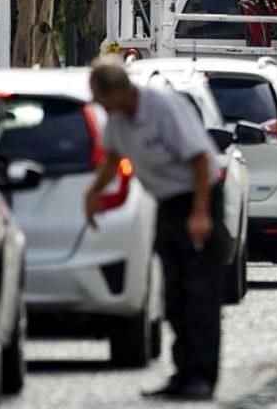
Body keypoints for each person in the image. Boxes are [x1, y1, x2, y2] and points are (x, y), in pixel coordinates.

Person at [84, 57, 226, 401]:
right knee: (174, 293)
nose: (96, 103)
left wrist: (201, 212)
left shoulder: (161, 107)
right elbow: (112, 158)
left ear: (116, 92)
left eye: (98, 96)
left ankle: (201, 376)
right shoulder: (117, 120)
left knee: (200, 291)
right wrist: (94, 192)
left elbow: (199, 159)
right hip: (167, 203)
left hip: (199, 195)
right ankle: (182, 373)